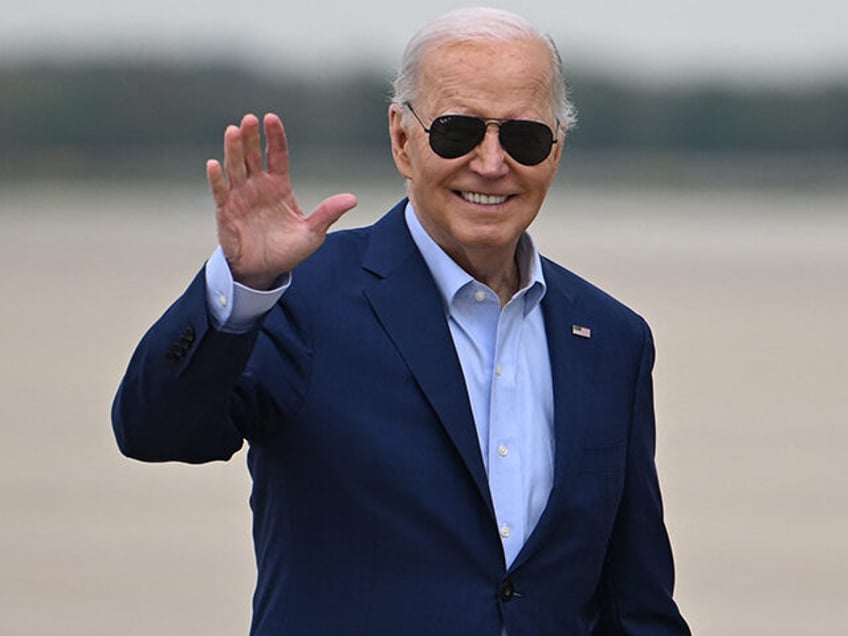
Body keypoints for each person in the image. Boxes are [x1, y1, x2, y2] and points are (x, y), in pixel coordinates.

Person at [112, 7, 690, 635]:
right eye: (457, 132)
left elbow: (637, 606)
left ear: (556, 147)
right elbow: (155, 431)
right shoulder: (299, 299)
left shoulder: (611, 338)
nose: (492, 163)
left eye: (523, 137)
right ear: (402, 139)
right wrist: (243, 286)